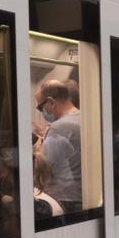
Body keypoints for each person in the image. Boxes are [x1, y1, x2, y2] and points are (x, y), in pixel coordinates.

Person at [34, 79, 83, 213]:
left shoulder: (59, 127)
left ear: (51, 102)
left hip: (63, 198)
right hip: (79, 194)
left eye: (40, 107)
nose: (41, 111)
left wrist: (38, 149)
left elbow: (43, 168)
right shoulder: (83, 118)